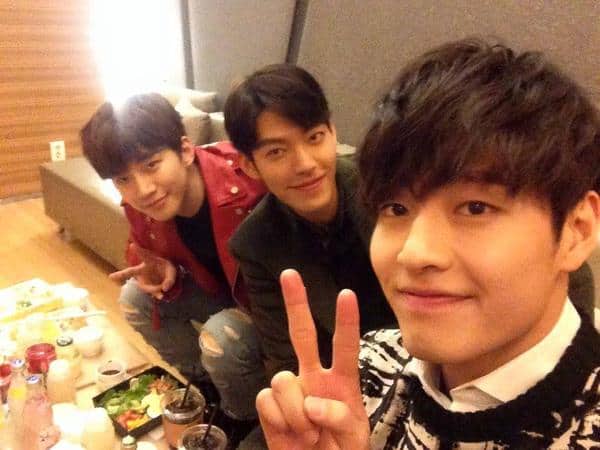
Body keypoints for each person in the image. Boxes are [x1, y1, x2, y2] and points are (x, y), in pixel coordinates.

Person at [255, 39, 600, 449]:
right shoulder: (366, 369)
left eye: (475, 208)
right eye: (396, 208)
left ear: (577, 230)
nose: (414, 253)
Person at [80, 93, 267, 424]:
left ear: (185, 150)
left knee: (221, 336)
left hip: (267, 305)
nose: (142, 189)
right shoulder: (142, 206)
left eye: (151, 165)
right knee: (134, 300)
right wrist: (163, 268)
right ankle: (208, 388)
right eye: (123, 179)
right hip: (217, 292)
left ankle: (245, 418)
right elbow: (142, 247)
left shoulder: (248, 182)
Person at [224, 64, 395, 381]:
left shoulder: (385, 187)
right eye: (277, 152)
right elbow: (288, 359)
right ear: (249, 166)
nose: (305, 164)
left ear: (333, 132)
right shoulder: (254, 244)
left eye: (314, 137)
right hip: (347, 382)